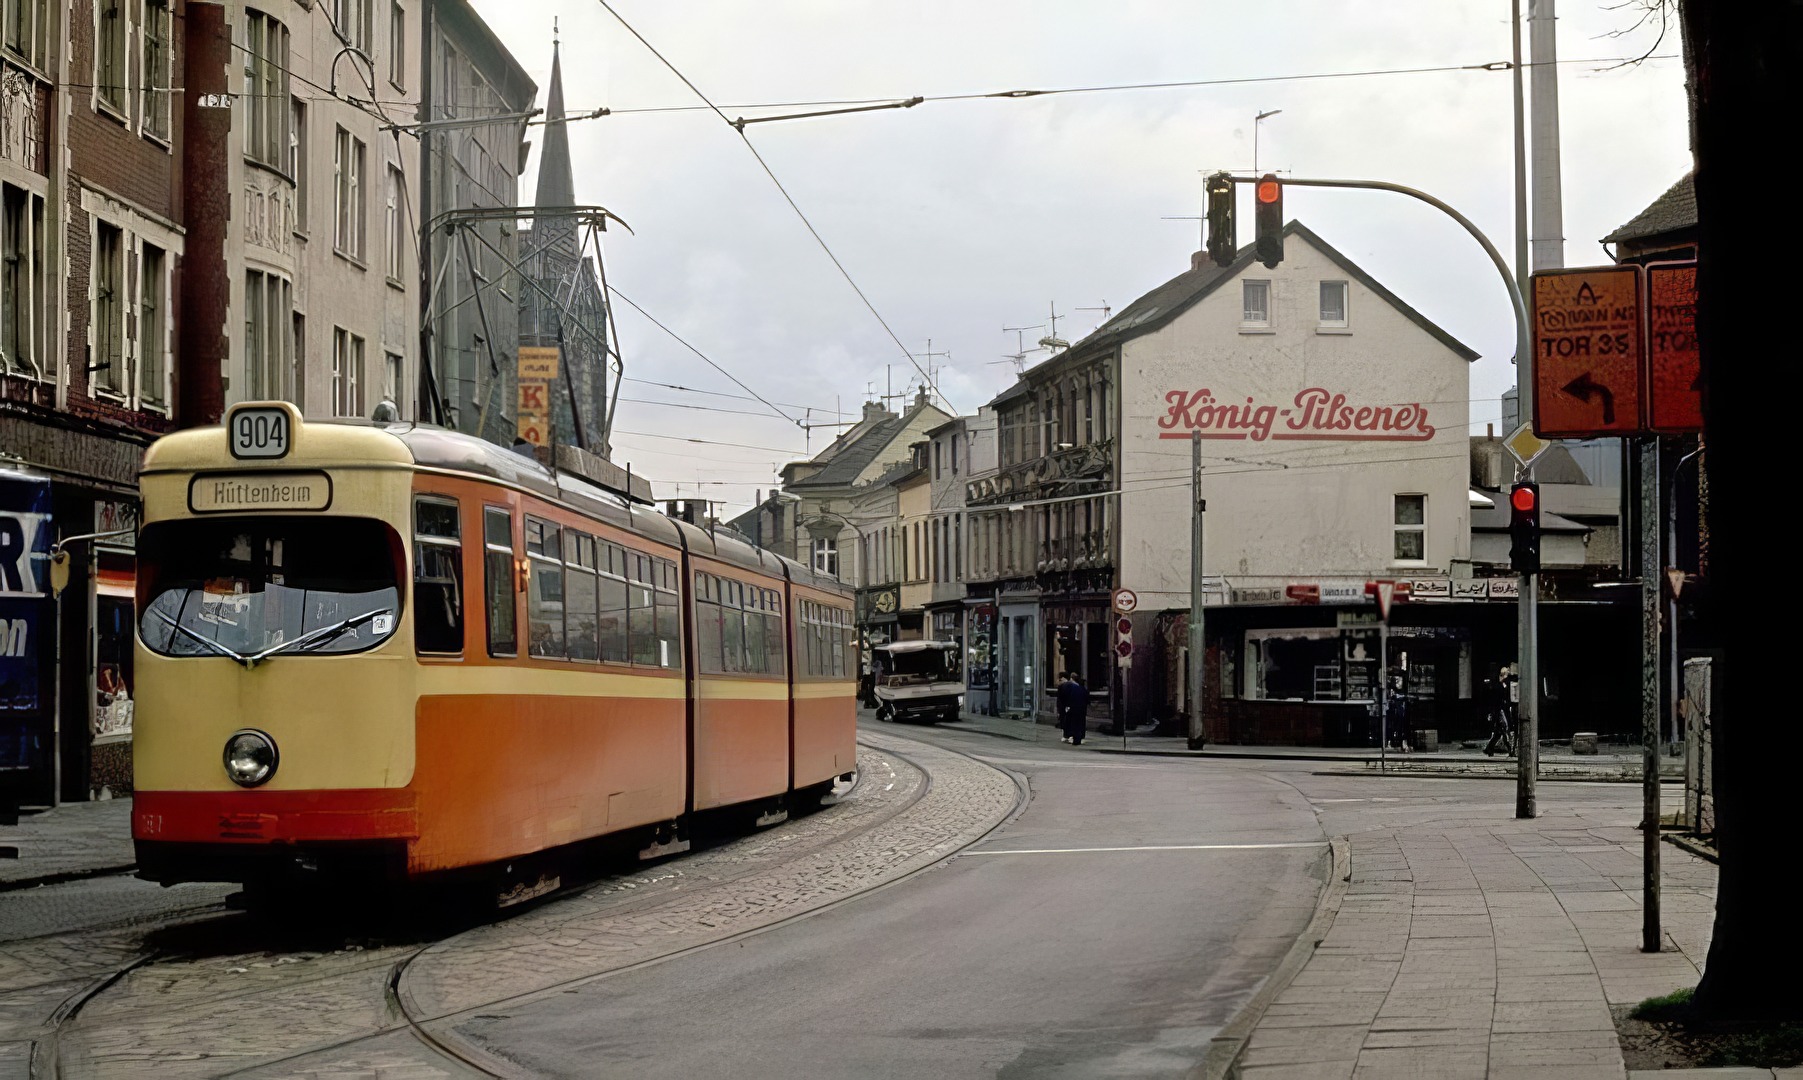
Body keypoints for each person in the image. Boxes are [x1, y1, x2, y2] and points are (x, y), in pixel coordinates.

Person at [1056, 672, 1090, 745]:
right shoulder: (1081, 688)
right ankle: (1076, 737)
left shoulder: (1068, 686)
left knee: (1072, 722)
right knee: (1078, 723)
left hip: (1072, 707)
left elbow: (1064, 698)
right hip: (1080, 708)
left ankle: (1071, 736)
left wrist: (1066, 706)